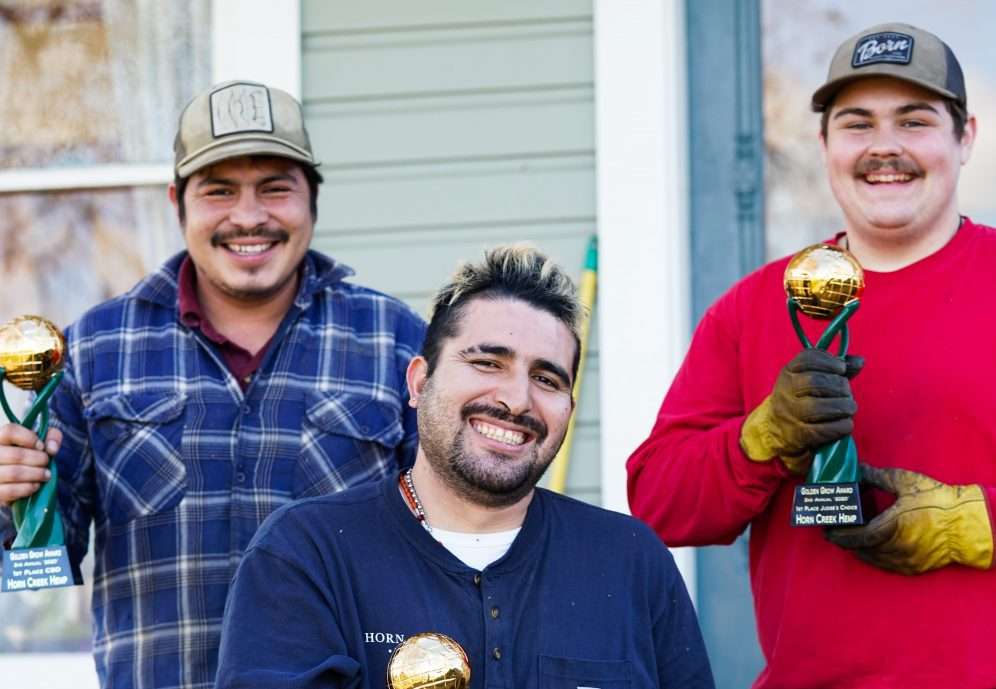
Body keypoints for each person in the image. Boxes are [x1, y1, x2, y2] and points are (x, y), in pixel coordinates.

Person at [627, 22, 996, 689]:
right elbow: (659, 499)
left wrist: (981, 521)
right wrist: (760, 439)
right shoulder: (754, 308)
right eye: (857, 124)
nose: (885, 147)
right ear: (824, 145)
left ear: (967, 138)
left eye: (915, 120)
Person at [0, 80, 425, 689]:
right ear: (178, 203)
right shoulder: (94, 352)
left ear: (313, 201)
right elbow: (42, 569)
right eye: (219, 191)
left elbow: (447, 548)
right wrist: (12, 503)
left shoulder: (399, 345)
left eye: (275, 188)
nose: (248, 216)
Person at [214, 246, 714, 689]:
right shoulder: (308, 553)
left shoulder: (631, 562)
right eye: (487, 363)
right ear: (418, 382)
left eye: (546, 378)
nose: (517, 400)